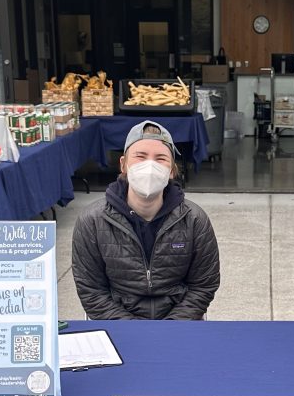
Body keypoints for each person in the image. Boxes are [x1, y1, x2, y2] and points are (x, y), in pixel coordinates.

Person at [72, 120, 220, 319]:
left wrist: (172, 328)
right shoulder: (92, 221)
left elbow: (203, 285)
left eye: (160, 159)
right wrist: (133, 329)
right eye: (140, 157)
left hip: (179, 323)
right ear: (123, 164)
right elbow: (91, 291)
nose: (149, 165)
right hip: (117, 323)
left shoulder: (194, 220)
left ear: (172, 171)